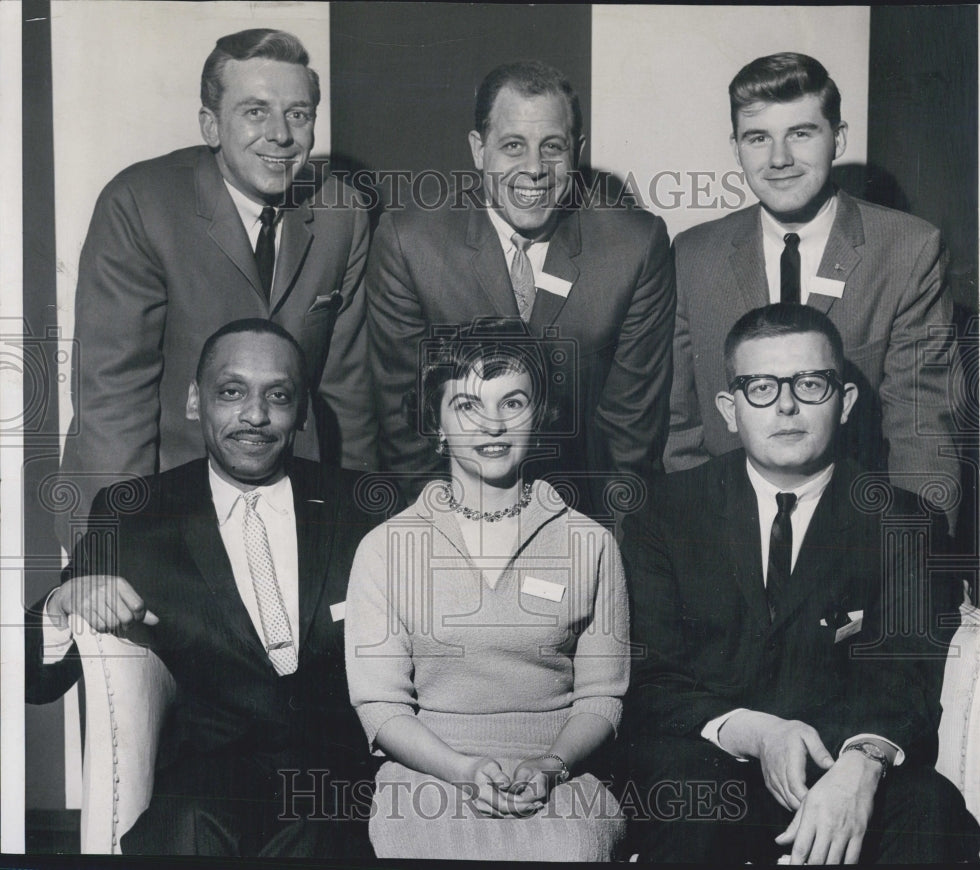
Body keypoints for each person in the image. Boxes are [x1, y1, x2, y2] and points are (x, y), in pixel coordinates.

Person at [622, 303, 977, 863]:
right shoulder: (663, 515)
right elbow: (651, 680)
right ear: (728, 409)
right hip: (711, 765)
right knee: (685, 795)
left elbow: (907, 674)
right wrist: (759, 733)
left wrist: (863, 764)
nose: (786, 405)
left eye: (810, 384)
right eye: (760, 386)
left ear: (846, 402)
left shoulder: (903, 522)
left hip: (840, 764)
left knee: (934, 809)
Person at [26, 320, 374, 857]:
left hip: (340, 778)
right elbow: (36, 679)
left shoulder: (363, 507)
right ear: (195, 402)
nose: (255, 416)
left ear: (301, 411)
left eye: (277, 396)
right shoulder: (135, 513)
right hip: (211, 775)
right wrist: (62, 604)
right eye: (231, 392)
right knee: (182, 830)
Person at [57, 28, 376, 548]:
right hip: (164, 499)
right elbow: (116, 400)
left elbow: (347, 397)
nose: (280, 135)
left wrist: (362, 531)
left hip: (292, 502)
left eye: (298, 114)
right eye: (255, 112)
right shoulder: (140, 204)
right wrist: (119, 545)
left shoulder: (344, 213)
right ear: (211, 125)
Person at [345, 322, 629, 860]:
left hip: (558, 775)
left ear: (539, 415)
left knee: (573, 852)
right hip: (427, 775)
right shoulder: (386, 546)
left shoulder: (590, 542)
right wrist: (462, 770)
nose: (493, 424)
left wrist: (551, 766)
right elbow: (380, 705)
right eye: (468, 406)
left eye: (513, 402)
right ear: (437, 424)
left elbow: (603, 698)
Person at [664, 52, 960, 529]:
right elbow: (683, 430)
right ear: (736, 147)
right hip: (728, 531)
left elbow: (921, 435)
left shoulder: (908, 250)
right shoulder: (694, 254)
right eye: (758, 138)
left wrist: (915, 557)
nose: (779, 159)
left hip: (859, 530)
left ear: (837, 139)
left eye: (801, 133)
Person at [366, 60, 675, 515]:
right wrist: (450, 544)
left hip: (586, 517)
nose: (534, 169)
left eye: (552, 147)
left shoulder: (635, 246)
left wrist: (609, 558)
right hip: (454, 518)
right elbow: (406, 429)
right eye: (513, 145)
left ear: (577, 151)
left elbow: (630, 439)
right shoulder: (409, 244)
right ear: (478, 149)